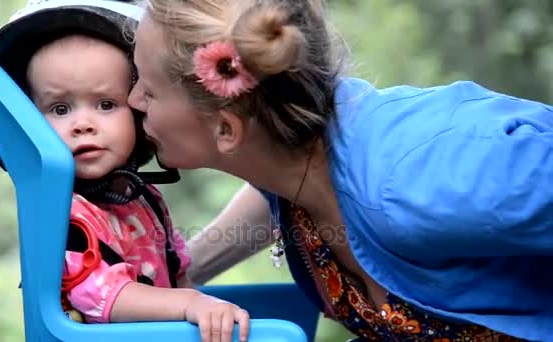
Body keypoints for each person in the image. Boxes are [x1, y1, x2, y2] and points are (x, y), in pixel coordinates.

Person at [127, 0, 553, 340]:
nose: (132, 101)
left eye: (148, 89)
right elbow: (269, 190)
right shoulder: (292, 165)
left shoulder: (412, 179)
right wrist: (177, 276)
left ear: (225, 128)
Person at [0, 1, 250, 341]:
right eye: (60, 108)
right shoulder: (62, 213)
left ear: (138, 110)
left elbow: (177, 275)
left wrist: (203, 309)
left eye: (106, 104)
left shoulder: (143, 199)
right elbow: (103, 297)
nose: (82, 124)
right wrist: (190, 304)